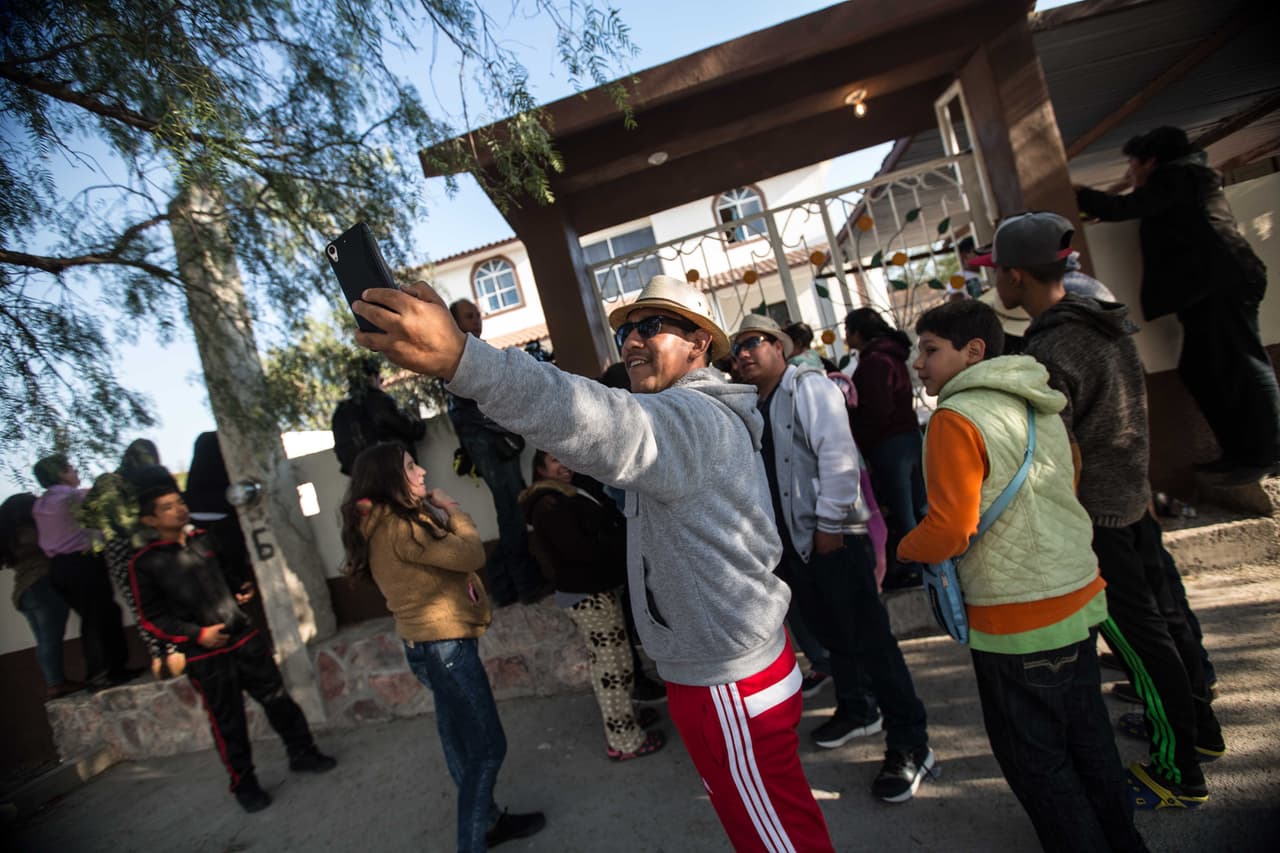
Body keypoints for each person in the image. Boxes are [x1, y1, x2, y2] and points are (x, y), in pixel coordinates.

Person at [356, 275, 836, 853]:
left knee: (781, 841)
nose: (631, 340)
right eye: (626, 329)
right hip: (712, 670)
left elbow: (592, 417)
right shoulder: (687, 417)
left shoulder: (693, 420)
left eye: (651, 326)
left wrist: (465, 358)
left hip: (728, 679)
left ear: (699, 344)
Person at [985, 211, 1222, 810]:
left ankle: (1179, 770)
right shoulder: (1103, 322)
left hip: (1098, 519)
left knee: (1141, 644)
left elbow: (1056, 450)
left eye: (998, 274)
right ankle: (1201, 733)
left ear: (1016, 276)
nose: (998, 285)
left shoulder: (1054, 344)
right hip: (1132, 500)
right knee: (1161, 626)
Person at [899, 299, 1147, 853]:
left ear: (974, 351)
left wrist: (905, 546)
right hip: (1078, 596)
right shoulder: (1041, 402)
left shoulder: (954, 418)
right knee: (1090, 742)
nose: (920, 363)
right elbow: (1070, 480)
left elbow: (950, 530)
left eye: (931, 349)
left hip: (1016, 618)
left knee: (1038, 763)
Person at [732, 314, 934, 802]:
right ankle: (858, 707)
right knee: (833, 638)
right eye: (736, 348)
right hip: (796, 546)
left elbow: (839, 458)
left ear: (780, 346)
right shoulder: (752, 405)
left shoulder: (810, 388)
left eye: (753, 342)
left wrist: (828, 527)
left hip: (834, 540)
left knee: (874, 644)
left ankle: (912, 743)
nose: (743, 353)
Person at [340, 443, 544, 850]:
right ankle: (472, 841)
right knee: (487, 748)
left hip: (427, 646)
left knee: (459, 740)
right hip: (443, 648)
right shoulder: (401, 526)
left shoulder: (385, 522)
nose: (422, 474)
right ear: (389, 478)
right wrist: (453, 508)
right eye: (411, 467)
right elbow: (469, 553)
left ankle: (487, 822)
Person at [1076, 125, 1280, 485]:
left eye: (1133, 165)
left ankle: (1266, 453)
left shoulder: (1179, 177)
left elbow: (1124, 207)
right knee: (1205, 370)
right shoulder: (1188, 178)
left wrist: (1078, 195)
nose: (1130, 174)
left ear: (1151, 161)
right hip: (1213, 287)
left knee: (1244, 365)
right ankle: (1243, 452)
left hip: (1221, 285)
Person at [129, 485, 336, 813]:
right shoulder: (145, 563)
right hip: (207, 656)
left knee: (278, 700)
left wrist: (241, 591)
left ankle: (303, 754)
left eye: (181, 501)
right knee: (229, 723)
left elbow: (230, 576)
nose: (180, 509)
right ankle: (244, 785)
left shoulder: (203, 538)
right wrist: (197, 635)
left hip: (244, 640)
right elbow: (151, 619)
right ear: (150, 520)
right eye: (168, 507)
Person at [520, 451, 667, 761]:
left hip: (595, 589)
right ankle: (623, 741)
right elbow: (581, 551)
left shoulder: (563, 493)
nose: (564, 466)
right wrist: (616, 550)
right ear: (540, 469)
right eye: (554, 461)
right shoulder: (549, 504)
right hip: (588, 594)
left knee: (620, 662)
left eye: (564, 459)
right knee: (611, 668)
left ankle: (625, 720)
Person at [445, 298, 550, 607]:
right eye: (469, 316)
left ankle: (505, 587)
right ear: (455, 322)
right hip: (488, 444)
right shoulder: (456, 353)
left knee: (513, 511)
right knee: (513, 511)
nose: (476, 320)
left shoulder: (476, 350)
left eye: (477, 314)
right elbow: (466, 409)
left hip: (496, 441)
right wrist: (506, 428)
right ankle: (520, 584)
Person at [78, 439, 185, 680]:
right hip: (153, 546)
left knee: (142, 607)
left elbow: (87, 518)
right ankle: (178, 655)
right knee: (170, 601)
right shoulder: (154, 474)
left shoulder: (107, 483)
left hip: (117, 551)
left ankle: (159, 658)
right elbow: (175, 505)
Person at [31, 455, 136, 688]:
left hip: (58, 568)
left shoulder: (41, 504)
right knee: (100, 615)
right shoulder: (73, 497)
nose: (76, 471)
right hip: (82, 563)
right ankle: (105, 672)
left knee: (94, 616)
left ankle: (108, 669)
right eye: (70, 468)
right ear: (60, 474)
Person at [843, 307, 926, 589]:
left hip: (890, 444)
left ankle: (916, 568)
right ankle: (927, 563)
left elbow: (877, 409)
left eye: (847, 330)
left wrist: (862, 437)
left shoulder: (876, 362)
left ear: (857, 332)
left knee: (903, 509)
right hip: (908, 437)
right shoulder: (892, 355)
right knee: (918, 505)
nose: (845, 337)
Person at [1, 493, 80, 700]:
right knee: (50, 638)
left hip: (24, 591)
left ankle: (55, 681)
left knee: (44, 639)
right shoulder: (29, 533)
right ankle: (56, 683)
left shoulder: (9, 537)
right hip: (40, 586)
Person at [331, 356, 426, 475]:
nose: (381, 383)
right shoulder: (378, 400)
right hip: (394, 472)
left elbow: (343, 452)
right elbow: (413, 429)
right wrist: (414, 416)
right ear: (371, 378)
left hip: (364, 480)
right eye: (380, 379)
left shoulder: (340, 412)